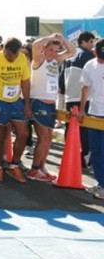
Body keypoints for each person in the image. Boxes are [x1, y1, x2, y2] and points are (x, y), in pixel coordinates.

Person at [27, 34, 75, 181]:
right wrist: (50, 37)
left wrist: (63, 41)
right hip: (39, 102)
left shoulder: (54, 61)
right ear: (44, 49)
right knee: (44, 138)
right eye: (51, 50)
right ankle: (34, 169)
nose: (54, 53)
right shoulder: (39, 60)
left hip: (50, 105)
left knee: (48, 139)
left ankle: (41, 167)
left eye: (56, 51)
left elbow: (71, 52)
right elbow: (35, 45)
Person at [0, 37, 31, 183]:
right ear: (4, 50)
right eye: (9, 55)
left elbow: (25, 81)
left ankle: (14, 165)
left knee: (23, 133)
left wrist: (27, 104)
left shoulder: (22, 59)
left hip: (16, 101)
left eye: (15, 55)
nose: (12, 58)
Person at [60, 31, 95, 168]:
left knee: (70, 128)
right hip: (83, 98)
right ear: (84, 42)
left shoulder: (70, 55)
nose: (92, 45)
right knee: (84, 129)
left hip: (69, 97)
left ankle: (70, 155)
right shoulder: (87, 55)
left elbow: (61, 77)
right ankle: (84, 157)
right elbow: (92, 78)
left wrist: (64, 92)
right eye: (91, 42)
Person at [79, 38, 104, 200]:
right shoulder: (90, 65)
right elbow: (85, 88)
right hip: (95, 113)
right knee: (95, 151)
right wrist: (82, 110)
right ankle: (100, 182)